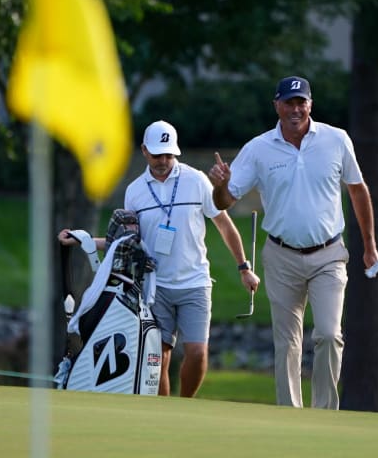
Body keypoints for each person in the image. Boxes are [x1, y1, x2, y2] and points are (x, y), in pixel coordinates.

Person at [208, 76, 378, 410]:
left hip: (329, 255)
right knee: (287, 343)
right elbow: (224, 201)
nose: (295, 109)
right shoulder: (258, 149)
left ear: (310, 105)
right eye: (289, 103)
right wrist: (221, 184)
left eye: (301, 102)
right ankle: (290, 418)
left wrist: (370, 245)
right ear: (277, 105)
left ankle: (323, 415)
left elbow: (357, 189)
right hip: (281, 256)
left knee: (330, 335)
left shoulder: (336, 140)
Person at [59, 120, 260, 398]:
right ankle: (164, 410)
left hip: (195, 283)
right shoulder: (135, 191)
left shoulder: (196, 180)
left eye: (169, 154)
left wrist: (244, 267)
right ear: (144, 151)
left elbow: (224, 225)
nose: (164, 160)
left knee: (198, 353)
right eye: (157, 154)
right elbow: (125, 242)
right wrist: (84, 240)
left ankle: (185, 404)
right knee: (158, 357)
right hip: (154, 287)